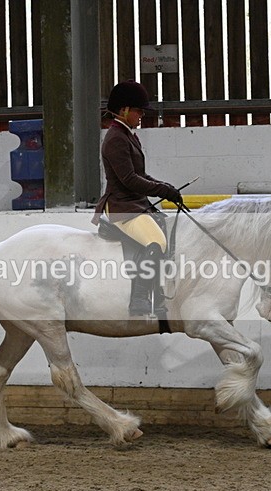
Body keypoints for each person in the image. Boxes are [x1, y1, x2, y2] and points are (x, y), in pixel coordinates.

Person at [91, 80, 183, 316]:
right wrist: (162, 191)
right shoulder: (115, 139)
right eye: (138, 110)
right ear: (124, 110)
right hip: (122, 206)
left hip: (135, 203)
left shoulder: (129, 136)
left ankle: (159, 293)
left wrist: (165, 186)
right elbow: (129, 180)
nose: (142, 115)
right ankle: (139, 299)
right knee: (156, 242)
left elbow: (140, 175)